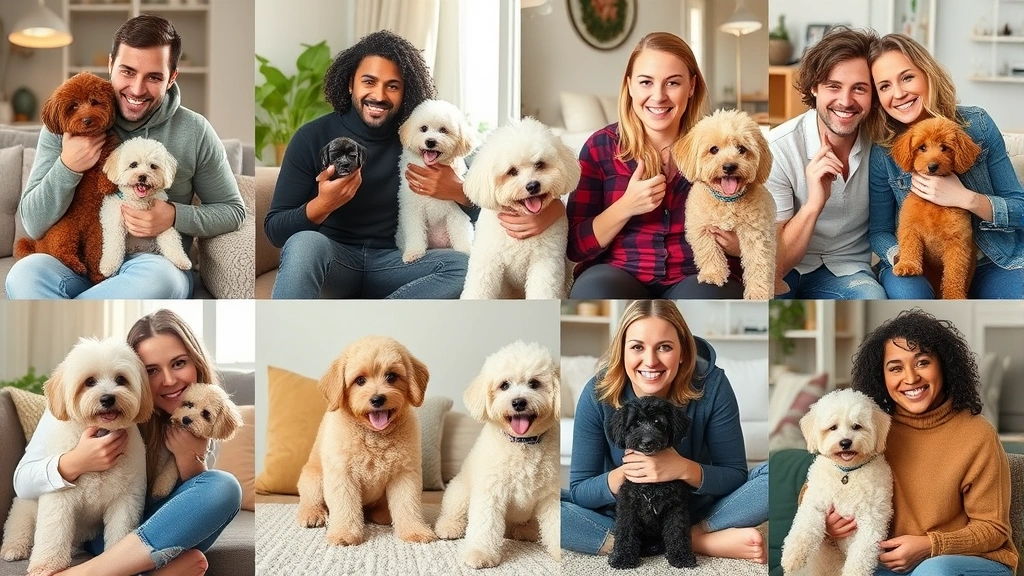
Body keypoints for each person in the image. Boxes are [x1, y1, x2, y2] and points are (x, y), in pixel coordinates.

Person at [265, 30, 562, 299]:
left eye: (392, 86)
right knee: (305, 244)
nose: (379, 96)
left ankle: (377, 319)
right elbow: (276, 231)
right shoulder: (311, 137)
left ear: (405, 92)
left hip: (397, 261)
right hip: (336, 260)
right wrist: (322, 205)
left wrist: (457, 190)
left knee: (463, 267)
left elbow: (492, 200)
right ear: (349, 85)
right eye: (369, 82)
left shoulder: (424, 138)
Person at [6, 15, 245, 300]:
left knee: (163, 281)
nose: (137, 89)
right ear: (110, 65)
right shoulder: (67, 120)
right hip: (74, 264)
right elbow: (32, 223)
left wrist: (174, 215)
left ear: (171, 78)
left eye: (154, 77)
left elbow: (233, 211)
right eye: (127, 72)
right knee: (24, 274)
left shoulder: (195, 131)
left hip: (151, 265)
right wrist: (67, 167)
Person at [13, 309, 242, 576]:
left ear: (197, 363)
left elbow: (195, 506)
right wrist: (75, 462)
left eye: (179, 363)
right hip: (104, 532)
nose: (169, 380)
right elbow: (22, 483)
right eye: (152, 370)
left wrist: (189, 459)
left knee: (224, 487)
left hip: (163, 526)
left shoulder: (205, 413)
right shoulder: (75, 411)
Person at [561, 300, 768, 563]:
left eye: (665, 347)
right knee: (547, 506)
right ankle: (679, 543)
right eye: (637, 347)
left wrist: (682, 468)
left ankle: (690, 536)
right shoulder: (597, 393)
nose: (650, 361)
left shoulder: (713, 385)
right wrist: (628, 473)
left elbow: (735, 475)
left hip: (696, 510)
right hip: (624, 517)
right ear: (622, 351)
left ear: (682, 351)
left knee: (777, 474)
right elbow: (580, 490)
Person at [566, 32, 745, 299]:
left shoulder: (723, 147)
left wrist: (738, 246)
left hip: (698, 273)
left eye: (672, 83)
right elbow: (576, 247)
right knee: (595, 290)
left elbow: (756, 221)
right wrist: (627, 206)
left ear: (692, 86)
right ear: (629, 85)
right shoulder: (599, 147)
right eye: (646, 82)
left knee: (713, 293)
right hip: (616, 272)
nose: (658, 96)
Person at [842, 309, 1017, 575]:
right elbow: (821, 482)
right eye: (895, 368)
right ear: (882, 377)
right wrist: (829, 522)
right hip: (890, 563)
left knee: (934, 570)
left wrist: (930, 545)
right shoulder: (871, 430)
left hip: (969, 560)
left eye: (922, 362)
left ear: (944, 365)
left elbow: (994, 530)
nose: (911, 378)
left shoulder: (977, 434)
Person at [867, 34, 1024, 299]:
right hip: (915, 260)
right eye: (884, 86)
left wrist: (968, 199)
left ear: (927, 74)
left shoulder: (978, 125)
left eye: (907, 77)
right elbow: (879, 231)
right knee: (909, 297)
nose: (899, 93)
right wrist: (902, 256)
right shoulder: (884, 150)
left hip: (994, 259)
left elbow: (1020, 208)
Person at [767, 26, 887, 300]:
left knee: (871, 299)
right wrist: (813, 205)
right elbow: (776, 264)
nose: (845, 101)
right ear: (814, 88)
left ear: (874, 95)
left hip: (849, 271)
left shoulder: (884, 144)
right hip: (787, 269)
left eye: (859, 88)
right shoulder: (779, 149)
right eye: (833, 86)